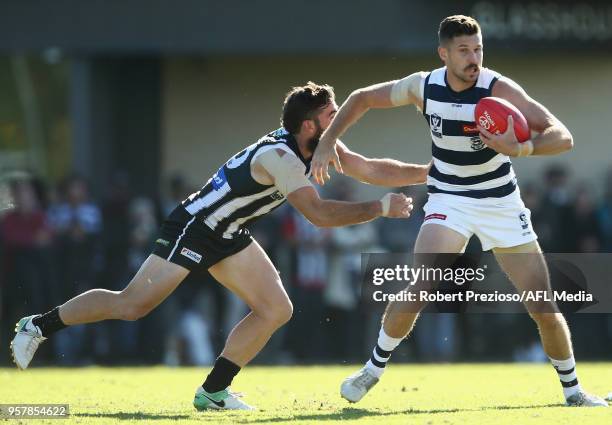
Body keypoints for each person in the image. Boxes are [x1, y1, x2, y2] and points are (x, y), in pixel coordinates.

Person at [10, 82, 429, 411]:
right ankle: (38, 326)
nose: (338, 123)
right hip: (195, 227)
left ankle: (213, 391)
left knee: (276, 309)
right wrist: (378, 207)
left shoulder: (321, 145)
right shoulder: (281, 156)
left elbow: (371, 168)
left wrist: (432, 172)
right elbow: (317, 214)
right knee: (132, 305)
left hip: (229, 233)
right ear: (308, 125)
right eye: (331, 116)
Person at [311, 16, 608, 407]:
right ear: (444, 53)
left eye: (478, 48)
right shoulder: (424, 86)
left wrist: (523, 148)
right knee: (421, 283)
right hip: (450, 198)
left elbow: (561, 135)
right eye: (464, 50)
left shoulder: (497, 88)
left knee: (543, 306)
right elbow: (361, 97)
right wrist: (327, 140)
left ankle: (573, 392)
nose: (474, 58)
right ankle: (372, 369)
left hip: (501, 202)